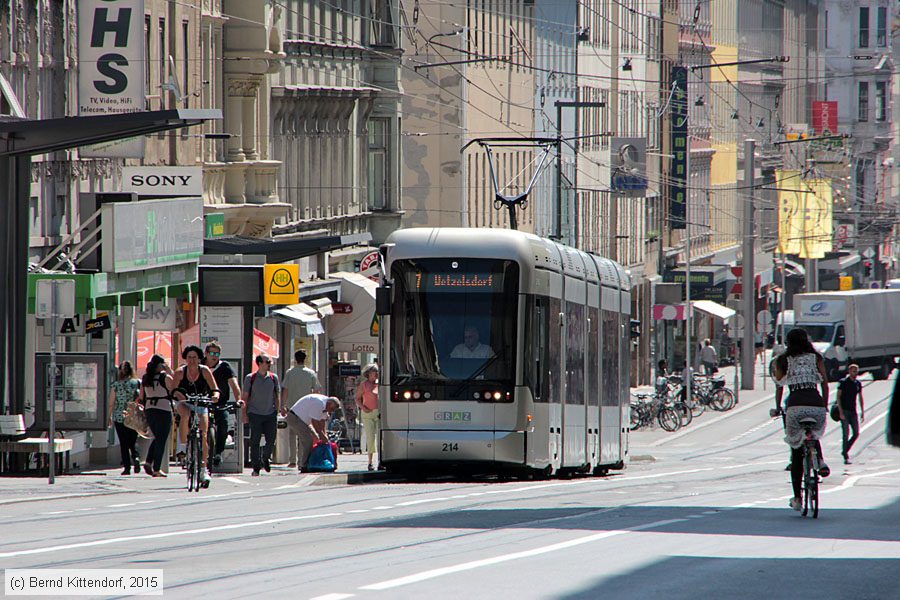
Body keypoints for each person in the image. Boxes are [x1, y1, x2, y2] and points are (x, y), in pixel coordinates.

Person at [771, 328, 830, 512]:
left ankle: (797, 498)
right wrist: (825, 404)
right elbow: (825, 384)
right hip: (816, 404)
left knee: (796, 451)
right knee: (813, 435)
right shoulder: (817, 358)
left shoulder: (783, 360)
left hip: (795, 406)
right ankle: (820, 460)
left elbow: (780, 386)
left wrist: (778, 407)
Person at [172, 345, 220, 487]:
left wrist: (215, 397)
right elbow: (173, 390)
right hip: (184, 402)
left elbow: (215, 388)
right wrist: (180, 395)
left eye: (194, 357)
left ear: (199, 359)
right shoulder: (180, 372)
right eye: (189, 357)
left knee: (204, 433)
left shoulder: (204, 371)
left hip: (201, 402)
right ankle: (182, 446)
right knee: (185, 414)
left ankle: (204, 468)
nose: (192, 360)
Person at [204, 341, 243, 466]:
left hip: (220, 403)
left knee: (224, 424)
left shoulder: (224, 366)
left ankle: (218, 453)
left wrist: (238, 399)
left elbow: (234, 384)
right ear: (206, 354)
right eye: (211, 353)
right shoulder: (201, 366)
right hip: (203, 403)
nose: (214, 356)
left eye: (217, 353)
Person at [241, 353, 281, 476]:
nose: (269, 364)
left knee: (271, 439)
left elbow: (277, 396)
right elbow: (245, 397)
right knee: (255, 441)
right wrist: (244, 414)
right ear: (259, 363)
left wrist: (277, 411)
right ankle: (256, 467)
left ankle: (266, 457)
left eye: (269, 362)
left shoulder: (274, 378)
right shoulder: (250, 378)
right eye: (267, 362)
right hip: (255, 413)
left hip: (270, 413)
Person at [281, 350, 321, 468]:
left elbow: (285, 390)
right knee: (303, 435)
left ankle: (292, 460)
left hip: (291, 408)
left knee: (292, 434)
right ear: (305, 359)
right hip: (305, 409)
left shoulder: (290, 372)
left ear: (295, 359)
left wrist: (283, 405)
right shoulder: (311, 373)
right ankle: (300, 461)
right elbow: (317, 390)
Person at [286, 394, 340, 472]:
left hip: (304, 421)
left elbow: (322, 421)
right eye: (332, 409)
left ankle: (312, 462)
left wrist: (324, 436)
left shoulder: (326, 406)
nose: (332, 411)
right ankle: (303, 465)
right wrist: (321, 435)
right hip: (295, 418)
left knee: (316, 439)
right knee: (308, 440)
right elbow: (314, 422)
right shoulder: (319, 403)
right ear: (329, 404)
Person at [141, 355, 175, 477]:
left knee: (157, 437)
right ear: (160, 365)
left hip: (150, 409)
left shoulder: (145, 378)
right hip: (163, 409)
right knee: (161, 439)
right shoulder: (164, 377)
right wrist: (170, 370)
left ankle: (149, 462)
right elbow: (175, 387)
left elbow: (141, 396)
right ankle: (156, 468)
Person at [108, 361, 141, 475]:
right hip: (133, 415)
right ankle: (136, 457)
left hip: (119, 415)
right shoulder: (137, 383)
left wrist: (109, 416)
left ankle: (127, 467)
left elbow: (111, 402)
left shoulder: (116, 385)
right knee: (133, 439)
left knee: (123, 442)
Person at [837, 363, 865, 464]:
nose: (855, 373)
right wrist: (840, 412)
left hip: (853, 411)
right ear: (849, 372)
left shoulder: (857, 383)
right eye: (853, 371)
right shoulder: (843, 382)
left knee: (856, 433)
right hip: (844, 410)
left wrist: (862, 411)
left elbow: (860, 397)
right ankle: (845, 455)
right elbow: (838, 397)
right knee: (845, 434)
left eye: (856, 371)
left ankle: (845, 449)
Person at [355, 364, 380, 471]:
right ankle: (370, 462)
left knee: (380, 438)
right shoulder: (364, 385)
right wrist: (363, 408)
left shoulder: (380, 384)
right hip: (368, 413)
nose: (377, 374)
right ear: (369, 374)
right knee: (370, 437)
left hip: (379, 413)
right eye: (375, 372)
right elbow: (357, 398)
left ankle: (380, 461)